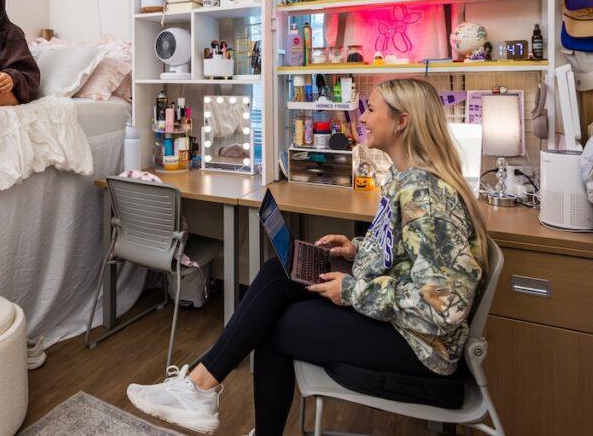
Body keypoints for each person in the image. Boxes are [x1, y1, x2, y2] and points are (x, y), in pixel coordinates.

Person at [125, 78, 489, 435]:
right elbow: (406, 250)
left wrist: (351, 291)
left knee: (276, 327)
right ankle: (199, 387)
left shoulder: (427, 196)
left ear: (401, 121)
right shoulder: (404, 177)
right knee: (278, 272)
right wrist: (357, 249)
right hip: (396, 315)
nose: (362, 117)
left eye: (371, 110)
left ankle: (203, 391)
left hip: (420, 345)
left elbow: (444, 306)